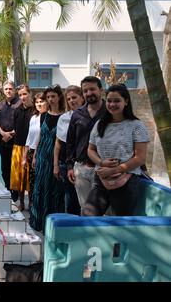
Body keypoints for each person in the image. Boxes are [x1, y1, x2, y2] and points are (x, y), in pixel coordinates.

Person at [84, 84, 149, 216]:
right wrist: (101, 163)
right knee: (88, 218)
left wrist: (114, 170)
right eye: (109, 100)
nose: (112, 104)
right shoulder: (100, 124)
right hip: (101, 178)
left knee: (121, 224)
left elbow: (140, 158)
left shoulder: (137, 126)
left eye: (117, 100)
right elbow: (90, 149)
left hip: (127, 182)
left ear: (126, 101)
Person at [66, 76, 106, 212]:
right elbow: (70, 143)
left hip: (104, 169)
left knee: (106, 211)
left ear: (101, 90)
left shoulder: (110, 112)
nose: (89, 93)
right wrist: (70, 166)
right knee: (85, 209)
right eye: (85, 91)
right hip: (81, 169)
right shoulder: (77, 114)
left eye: (92, 89)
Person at [30, 85, 66, 232]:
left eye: (53, 96)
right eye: (48, 97)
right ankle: (38, 221)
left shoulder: (65, 116)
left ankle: (51, 225)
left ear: (59, 97)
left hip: (56, 156)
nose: (50, 99)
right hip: (42, 155)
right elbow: (40, 135)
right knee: (39, 187)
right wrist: (34, 155)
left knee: (53, 189)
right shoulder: (44, 115)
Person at [53, 85, 85, 215]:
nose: (72, 101)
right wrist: (55, 165)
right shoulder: (63, 118)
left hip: (84, 163)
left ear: (82, 98)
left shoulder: (90, 117)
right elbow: (58, 143)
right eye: (69, 98)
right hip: (65, 163)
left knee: (85, 200)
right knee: (70, 198)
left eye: (75, 97)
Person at [0, 80, 22, 202]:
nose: (8, 91)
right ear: (3, 91)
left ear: (14, 90)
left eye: (10, 89)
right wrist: (3, 133)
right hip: (3, 140)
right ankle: (8, 188)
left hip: (17, 141)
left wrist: (11, 134)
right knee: (4, 167)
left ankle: (15, 191)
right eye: (6, 89)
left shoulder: (20, 104)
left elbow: (23, 122)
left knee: (15, 167)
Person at [10, 84, 34, 211]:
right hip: (17, 146)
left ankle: (31, 202)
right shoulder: (17, 111)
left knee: (29, 177)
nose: (22, 97)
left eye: (25, 94)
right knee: (18, 177)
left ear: (30, 93)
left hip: (30, 148)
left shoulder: (35, 110)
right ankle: (21, 203)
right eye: (20, 95)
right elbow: (16, 128)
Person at [25, 93, 47, 210]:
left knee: (40, 180)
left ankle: (40, 205)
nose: (39, 104)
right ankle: (32, 204)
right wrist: (25, 156)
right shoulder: (34, 118)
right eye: (37, 102)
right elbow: (29, 137)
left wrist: (35, 155)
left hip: (40, 153)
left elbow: (42, 137)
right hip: (31, 151)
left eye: (41, 101)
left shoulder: (47, 117)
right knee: (32, 181)